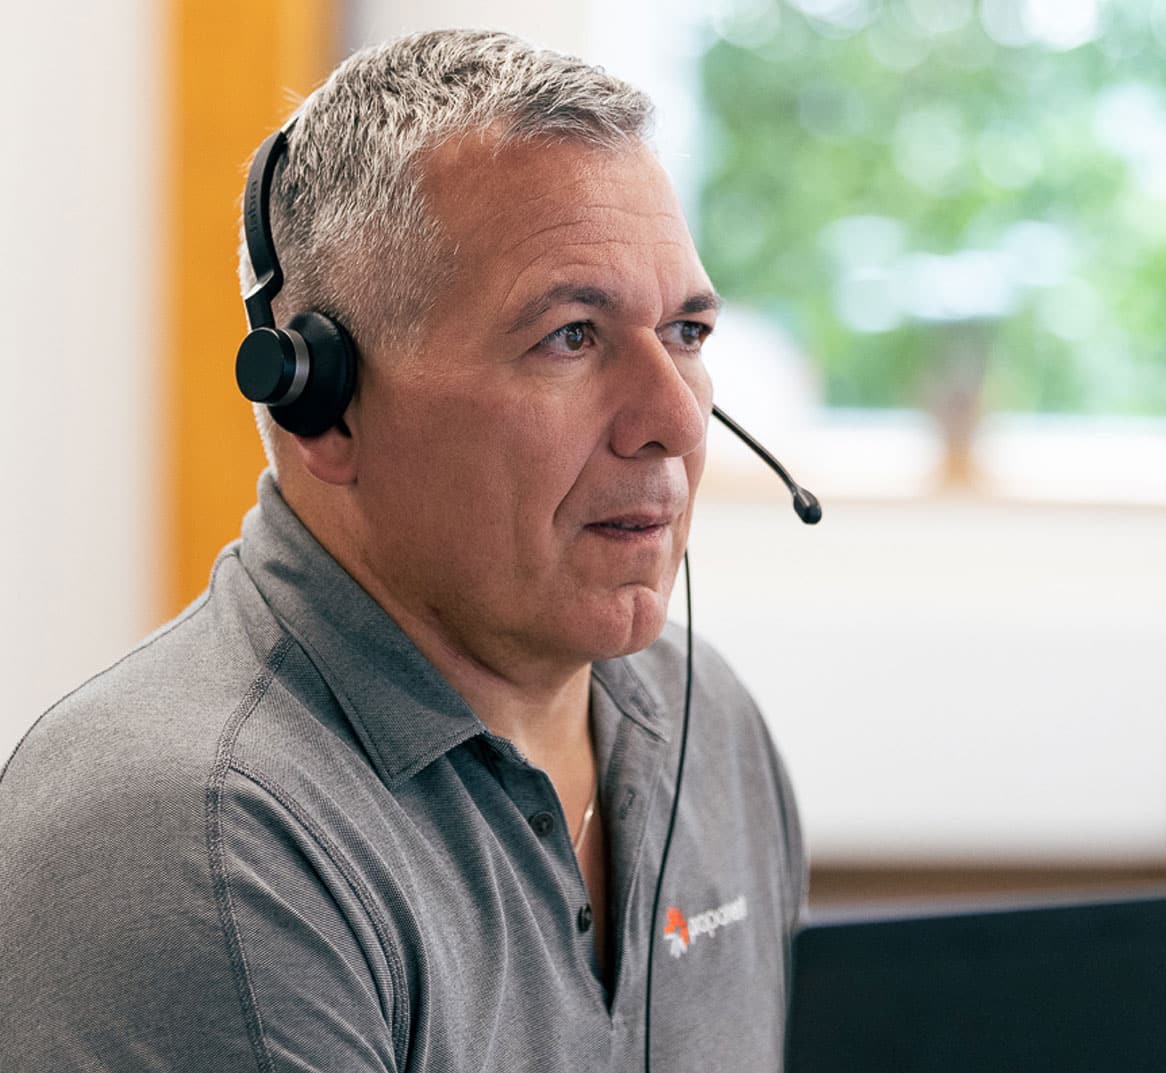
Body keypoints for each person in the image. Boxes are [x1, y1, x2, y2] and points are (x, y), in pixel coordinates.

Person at [0, 29, 805, 1072]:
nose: (674, 421)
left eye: (687, 334)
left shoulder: (710, 726)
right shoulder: (195, 835)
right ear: (322, 412)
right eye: (570, 335)